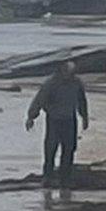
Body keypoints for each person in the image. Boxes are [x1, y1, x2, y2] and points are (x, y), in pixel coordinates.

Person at [25, 60, 89, 188]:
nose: (69, 74)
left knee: (69, 149)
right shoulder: (51, 83)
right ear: (62, 70)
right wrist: (31, 117)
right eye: (68, 71)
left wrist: (84, 117)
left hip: (70, 120)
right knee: (50, 149)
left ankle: (65, 178)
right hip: (54, 120)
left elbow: (82, 101)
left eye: (72, 72)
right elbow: (39, 100)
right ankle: (47, 177)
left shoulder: (77, 83)